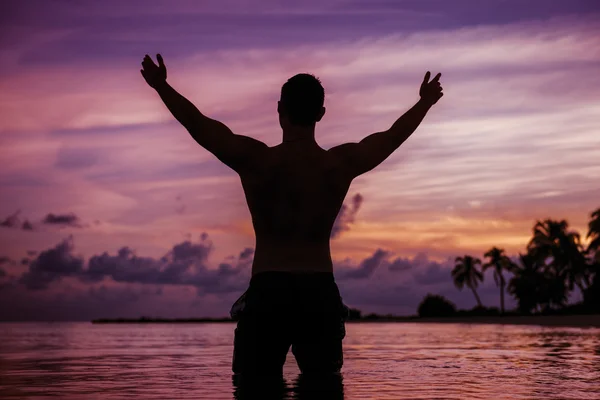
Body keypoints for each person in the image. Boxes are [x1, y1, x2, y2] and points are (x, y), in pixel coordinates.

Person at [141, 54, 443, 378]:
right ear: (321, 114)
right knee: (323, 389)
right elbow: (392, 137)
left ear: (279, 110)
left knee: (254, 389)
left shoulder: (255, 160)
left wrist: (162, 86)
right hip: (318, 291)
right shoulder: (338, 165)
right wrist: (424, 103)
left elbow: (199, 125)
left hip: (268, 290)